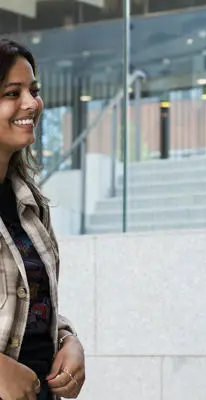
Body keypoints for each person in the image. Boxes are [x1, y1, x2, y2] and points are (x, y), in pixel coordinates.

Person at [0, 40, 85, 400]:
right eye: (11, 92)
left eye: (33, 91)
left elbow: (31, 302)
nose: (31, 104)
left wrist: (67, 339)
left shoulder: (30, 201)